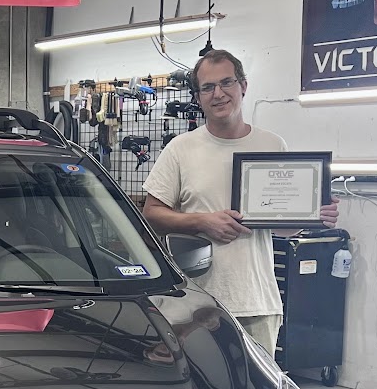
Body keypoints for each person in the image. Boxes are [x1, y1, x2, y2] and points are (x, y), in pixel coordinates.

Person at [141, 48, 339, 354]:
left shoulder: (271, 145)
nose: (218, 94)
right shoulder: (180, 149)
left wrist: (314, 214)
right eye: (207, 87)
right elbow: (151, 213)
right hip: (196, 303)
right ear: (197, 96)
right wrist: (202, 221)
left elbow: (284, 229)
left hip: (257, 302)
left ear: (243, 85)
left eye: (226, 83)